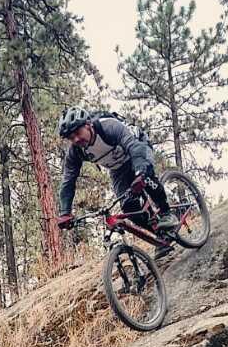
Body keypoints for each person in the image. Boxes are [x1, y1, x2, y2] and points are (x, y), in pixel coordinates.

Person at [55, 106, 178, 258]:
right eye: (71, 138)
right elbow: (68, 181)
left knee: (146, 177)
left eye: (77, 133)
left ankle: (166, 212)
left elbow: (133, 146)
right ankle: (161, 236)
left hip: (137, 148)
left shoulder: (108, 127)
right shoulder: (75, 151)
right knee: (129, 208)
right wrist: (65, 213)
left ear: (88, 124)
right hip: (117, 168)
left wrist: (140, 172)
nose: (76, 140)